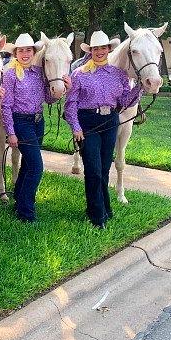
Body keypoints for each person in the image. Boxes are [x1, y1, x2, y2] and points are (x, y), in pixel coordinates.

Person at [64, 30, 141, 229]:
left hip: (110, 122)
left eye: (103, 48)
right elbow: (70, 103)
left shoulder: (119, 75)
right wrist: (75, 127)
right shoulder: (79, 74)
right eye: (95, 48)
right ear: (90, 51)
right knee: (93, 170)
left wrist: (139, 87)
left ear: (108, 49)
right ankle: (98, 218)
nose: (99, 51)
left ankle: (101, 207)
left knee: (104, 170)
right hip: (87, 123)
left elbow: (124, 101)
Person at [1, 33, 69, 223]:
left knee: (28, 164)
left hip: (38, 122)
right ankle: (26, 212)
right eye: (21, 50)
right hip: (21, 122)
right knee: (37, 167)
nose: (25, 54)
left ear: (33, 52)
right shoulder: (10, 75)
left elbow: (47, 98)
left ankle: (19, 201)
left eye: (28, 50)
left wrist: (61, 92)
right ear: (15, 53)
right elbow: (6, 106)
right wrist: (11, 132)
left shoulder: (38, 72)